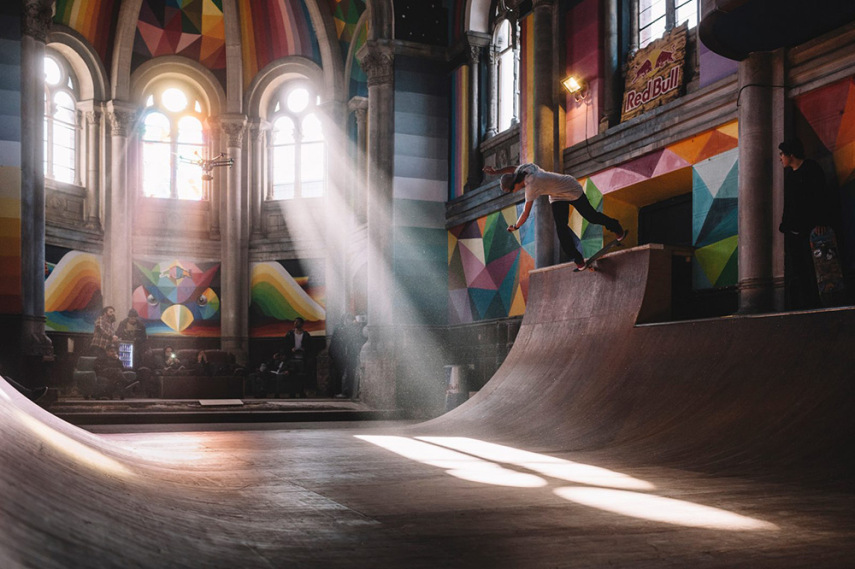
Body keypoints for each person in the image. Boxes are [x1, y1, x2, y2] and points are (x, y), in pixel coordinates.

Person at [484, 163, 627, 269]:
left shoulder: (532, 186)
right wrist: (497, 172)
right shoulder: (524, 169)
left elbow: (525, 213)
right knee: (561, 229)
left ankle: (616, 226)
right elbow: (511, 169)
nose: (514, 192)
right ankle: (578, 260)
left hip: (570, 188)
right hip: (557, 196)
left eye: (512, 190)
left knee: (592, 217)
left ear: (516, 183)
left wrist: (515, 226)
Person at [778, 138, 838, 309]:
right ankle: (806, 306)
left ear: (791, 154)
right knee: (800, 271)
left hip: (813, 231)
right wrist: (785, 226)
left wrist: (822, 221)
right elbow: (788, 204)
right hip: (794, 232)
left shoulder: (811, 168)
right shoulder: (790, 176)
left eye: (782, 154)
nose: (780, 158)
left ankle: (820, 305)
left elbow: (821, 195)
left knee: (817, 269)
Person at [282, 317, 313, 397]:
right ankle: (292, 392)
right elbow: (285, 345)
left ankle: (301, 392)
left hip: (302, 358)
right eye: (295, 322)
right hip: (292, 358)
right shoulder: (290, 334)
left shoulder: (306, 334)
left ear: (302, 324)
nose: (295, 323)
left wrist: (304, 349)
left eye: (297, 322)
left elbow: (310, 346)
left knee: (302, 376)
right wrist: (290, 350)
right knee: (292, 376)